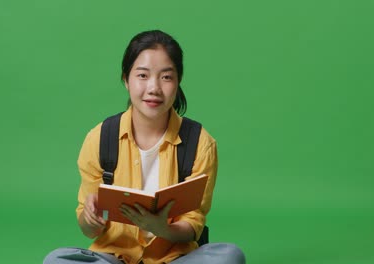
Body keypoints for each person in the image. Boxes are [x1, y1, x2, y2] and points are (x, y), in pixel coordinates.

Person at [44, 30, 246, 264]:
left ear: (178, 81)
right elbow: (88, 229)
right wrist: (90, 219)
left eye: (166, 77)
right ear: (126, 80)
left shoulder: (200, 142)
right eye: (142, 75)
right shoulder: (99, 138)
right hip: (113, 257)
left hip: (175, 257)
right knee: (56, 260)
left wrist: (163, 229)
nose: (154, 88)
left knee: (229, 256)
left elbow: (194, 224)